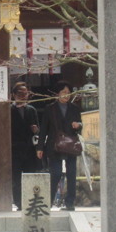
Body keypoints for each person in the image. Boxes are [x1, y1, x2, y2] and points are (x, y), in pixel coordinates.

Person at [38, 81, 83, 211]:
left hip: (70, 145)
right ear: (57, 94)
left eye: (68, 93)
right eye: (63, 92)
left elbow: (80, 126)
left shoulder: (74, 108)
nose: (66, 95)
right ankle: (48, 202)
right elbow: (43, 130)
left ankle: (70, 203)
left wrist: (78, 125)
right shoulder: (49, 109)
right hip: (54, 146)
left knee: (71, 174)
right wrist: (40, 147)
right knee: (56, 174)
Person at [10, 82, 41, 208]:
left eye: (25, 93)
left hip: (29, 148)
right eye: (20, 94)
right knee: (16, 179)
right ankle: (18, 203)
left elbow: (38, 130)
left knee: (30, 176)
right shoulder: (9, 110)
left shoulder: (31, 110)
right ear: (13, 95)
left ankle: (30, 201)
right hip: (14, 148)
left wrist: (35, 130)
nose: (23, 96)